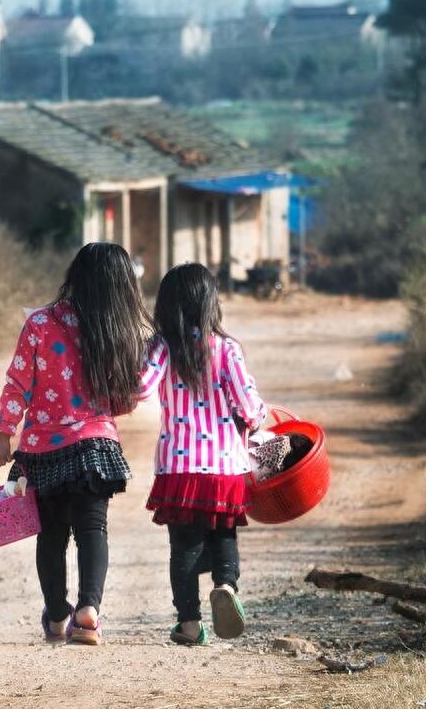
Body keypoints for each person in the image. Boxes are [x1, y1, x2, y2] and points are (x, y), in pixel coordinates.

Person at [0, 242, 150, 645]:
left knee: (52, 534)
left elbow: (18, 382)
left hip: (43, 450)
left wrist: (2, 432)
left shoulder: (40, 323)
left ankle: (58, 616)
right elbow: (129, 397)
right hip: (95, 445)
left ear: (75, 277)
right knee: (93, 528)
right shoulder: (117, 331)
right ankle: (89, 611)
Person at [138, 263, 269, 645]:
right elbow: (248, 406)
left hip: (178, 467)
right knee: (224, 532)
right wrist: (260, 419)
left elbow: (141, 388)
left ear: (165, 306)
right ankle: (226, 586)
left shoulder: (161, 347)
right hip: (225, 466)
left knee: (184, 546)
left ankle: (190, 624)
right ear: (211, 303)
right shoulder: (226, 348)